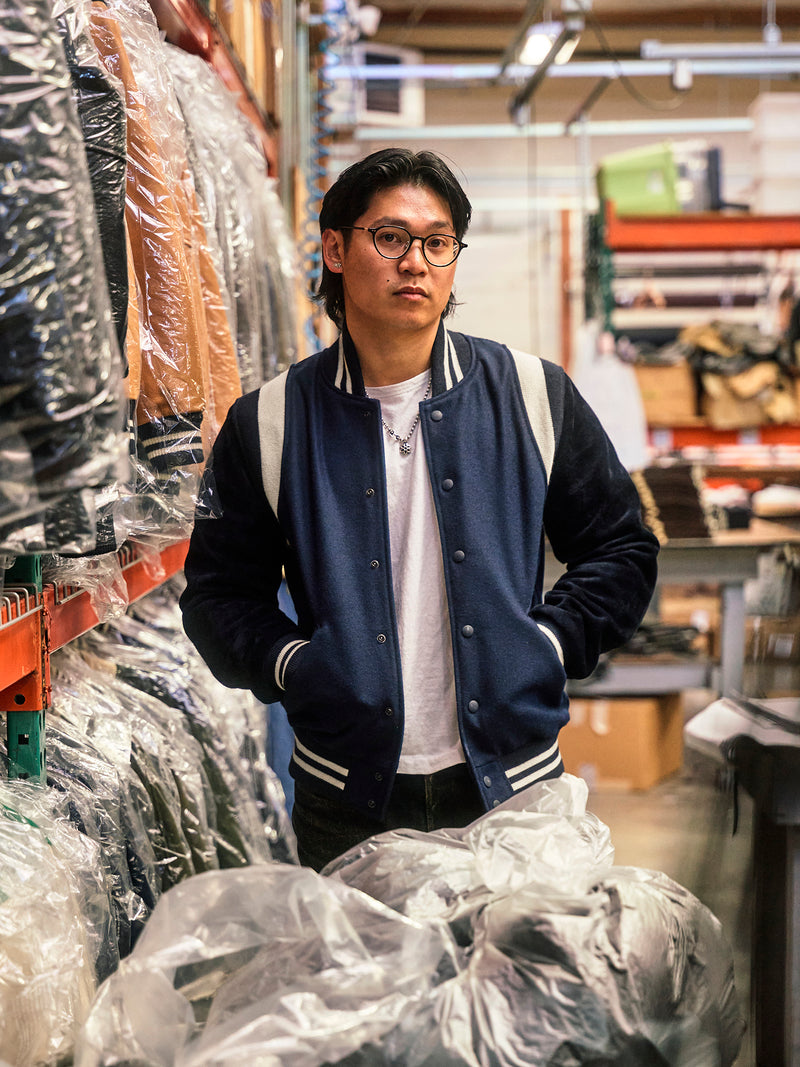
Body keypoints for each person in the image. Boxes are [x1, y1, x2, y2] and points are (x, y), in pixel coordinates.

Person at [180, 147, 660, 872]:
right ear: (336, 250)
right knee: (363, 987)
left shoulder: (533, 394)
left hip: (512, 792)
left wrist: (550, 644)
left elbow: (624, 549)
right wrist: (296, 665)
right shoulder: (270, 422)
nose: (417, 262)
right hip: (346, 801)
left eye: (438, 243)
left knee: (513, 985)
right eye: (393, 238)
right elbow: (218, 595)